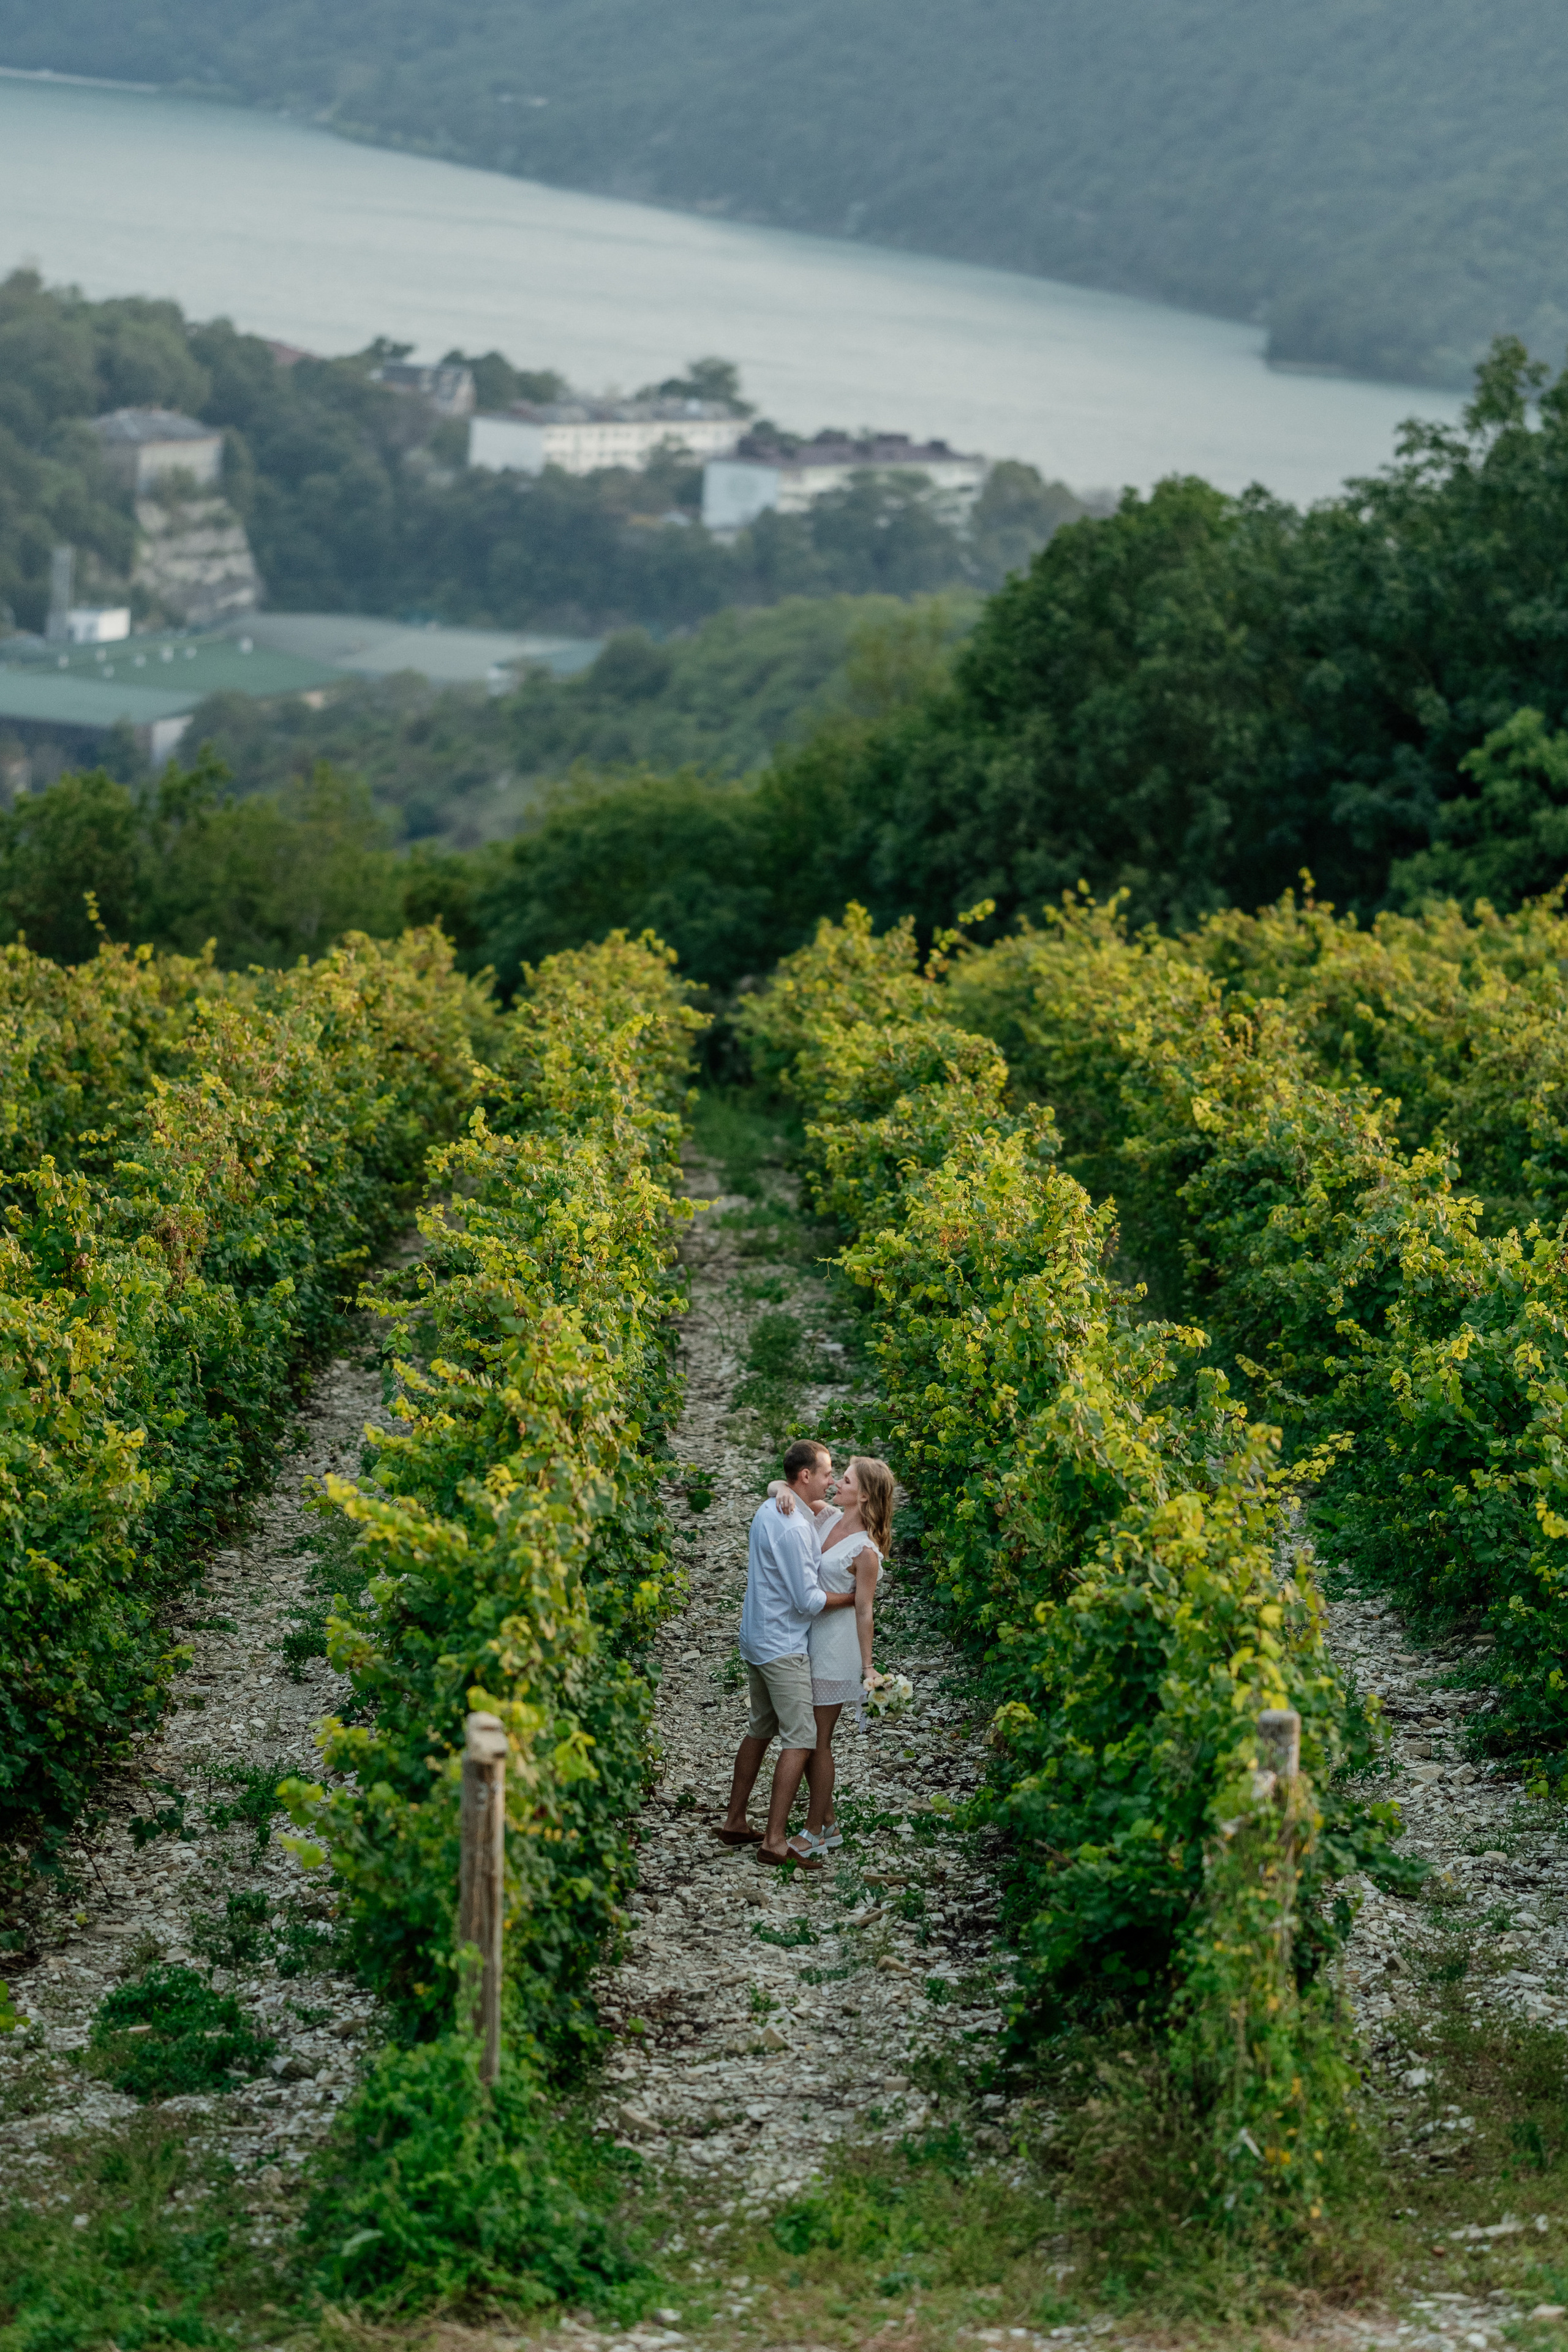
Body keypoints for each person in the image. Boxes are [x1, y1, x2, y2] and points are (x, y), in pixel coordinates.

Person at [715, 1438, 856, 1868]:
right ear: (806, 1476)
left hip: (756, 1638)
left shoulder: (770, 1508)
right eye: (828, 1473)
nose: (832, 1481)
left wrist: (779, 1487)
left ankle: (735, 1820)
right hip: (782, 1647)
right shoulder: (795, 1526)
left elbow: (783, 1492)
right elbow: (807, 1600)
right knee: (802, 1738)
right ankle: (775, 1841)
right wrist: (852, 1599)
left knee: (760, 1728)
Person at [776, 1455, 894, 1861]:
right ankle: (828, 1822)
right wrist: (782, 1494)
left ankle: (815, 1832)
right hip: (809, 1640)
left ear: (863, 1495)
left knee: (817, 1742)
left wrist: (867, 1667)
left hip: (835, 1648)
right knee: (809, 1737)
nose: (835, 1485)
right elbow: (781, 1487)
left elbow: (864, 1610)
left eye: (844, 1481)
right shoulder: (826, 1517)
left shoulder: (865, 1551)